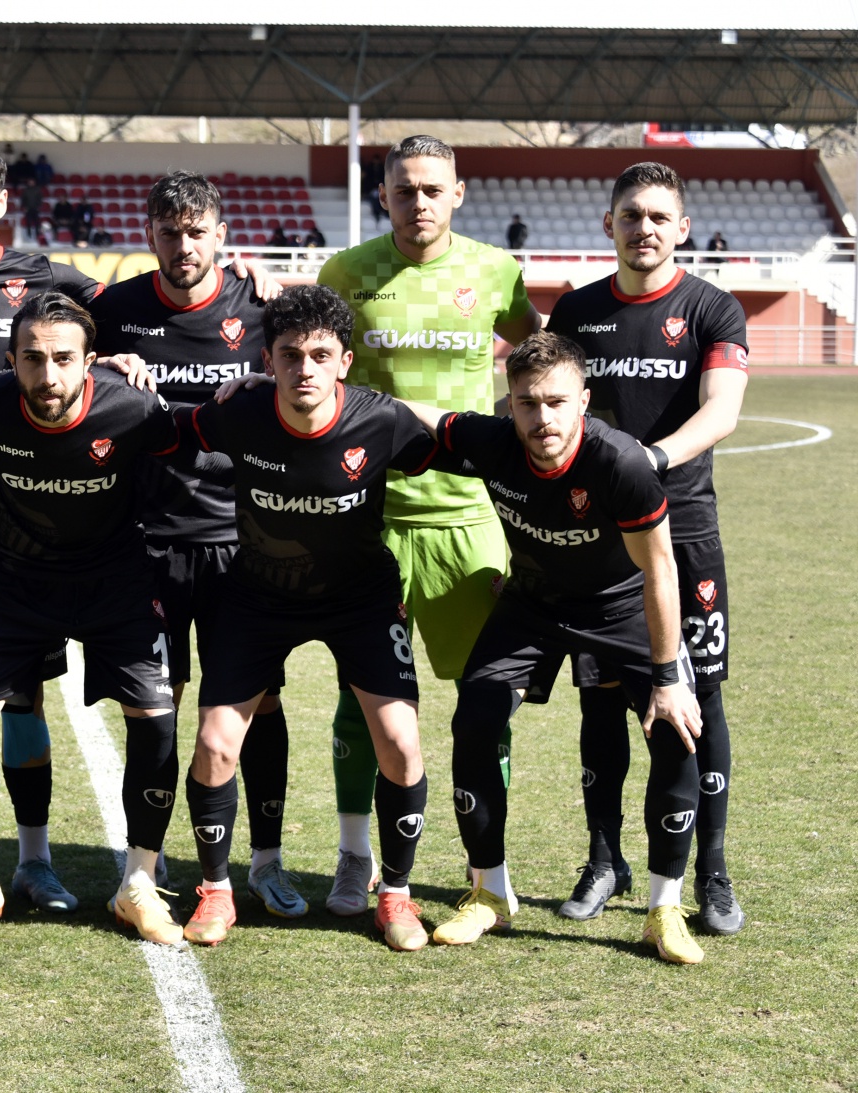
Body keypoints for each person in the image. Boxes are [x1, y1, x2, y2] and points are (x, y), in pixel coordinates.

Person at [0, 142, 276, 907]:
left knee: (28, 694)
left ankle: (36, 859)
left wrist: (245, 272)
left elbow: (136, 313)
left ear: (4, 201)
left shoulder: (53, 278)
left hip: (46, 514)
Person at [405, 332, 709, 965]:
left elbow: (659, 571)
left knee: (676, 731)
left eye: (556, 402)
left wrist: (666, 676)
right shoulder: (492, 442)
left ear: (583, 401)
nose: (542, 418)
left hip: (622, 607)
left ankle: (663, 907)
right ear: (508, 404)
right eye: (526, 403)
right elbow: (416, 416)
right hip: (532, 606)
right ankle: (489, 895)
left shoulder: (620, 465)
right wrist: (317, 392)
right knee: (474, 722)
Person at [314, 134, 540, 918]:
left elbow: (540, 360)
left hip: (469, 518)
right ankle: (353, 856)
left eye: (433, 189)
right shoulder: (346, 273)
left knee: (489, 699)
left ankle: (490, 870)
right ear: (385, 194)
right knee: (360, 700)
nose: (419, 202)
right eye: (405, 189)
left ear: (459, 192)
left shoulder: (495, 272)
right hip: (369, 520)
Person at [180, 285, 435, 950]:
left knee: (403, 744)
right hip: (258, 595)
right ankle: (216, 890)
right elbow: (166, 432)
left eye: (321, 354)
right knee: (213, 745)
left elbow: (462, 444)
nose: (305, 368)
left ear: (345, 361)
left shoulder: (382, 420)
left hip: (360, 599)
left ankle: (397, 896)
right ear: (268, 360)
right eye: (290, 354)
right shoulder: (239, 412)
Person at [0, 291, 185, 944]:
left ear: (91, 361)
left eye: (65, 359)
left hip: (116, 583)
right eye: (34, 359)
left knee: (156, 723)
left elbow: (188, 455)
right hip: (16, 582)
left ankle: (139, 884)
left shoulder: (131, 407)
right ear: (10, 361)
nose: (50, 376)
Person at [89, 172, 303, 919]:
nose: (184, 245)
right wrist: (98, 364)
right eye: (169, 232)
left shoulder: (259, 305)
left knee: (259, 705)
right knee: (154, 708)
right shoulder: (112, 310)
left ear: (221, 234)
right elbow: (48, 357)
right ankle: (140, 870)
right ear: (150, 236)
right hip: (145, 542)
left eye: (197, 230)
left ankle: (266, 862)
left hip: (241, 541)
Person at [546, 161, 750, 936]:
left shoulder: (712, 309)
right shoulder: (577, 310)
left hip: (685, 529)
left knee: (701, 696)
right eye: (631, 214)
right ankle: (604, 857)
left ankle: (713, 871)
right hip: (597, 537)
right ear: (610, 225)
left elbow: (721, 411)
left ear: (682, 227)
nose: (645, 228)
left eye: (659, 216)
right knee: (598, 695)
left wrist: (649, 462)